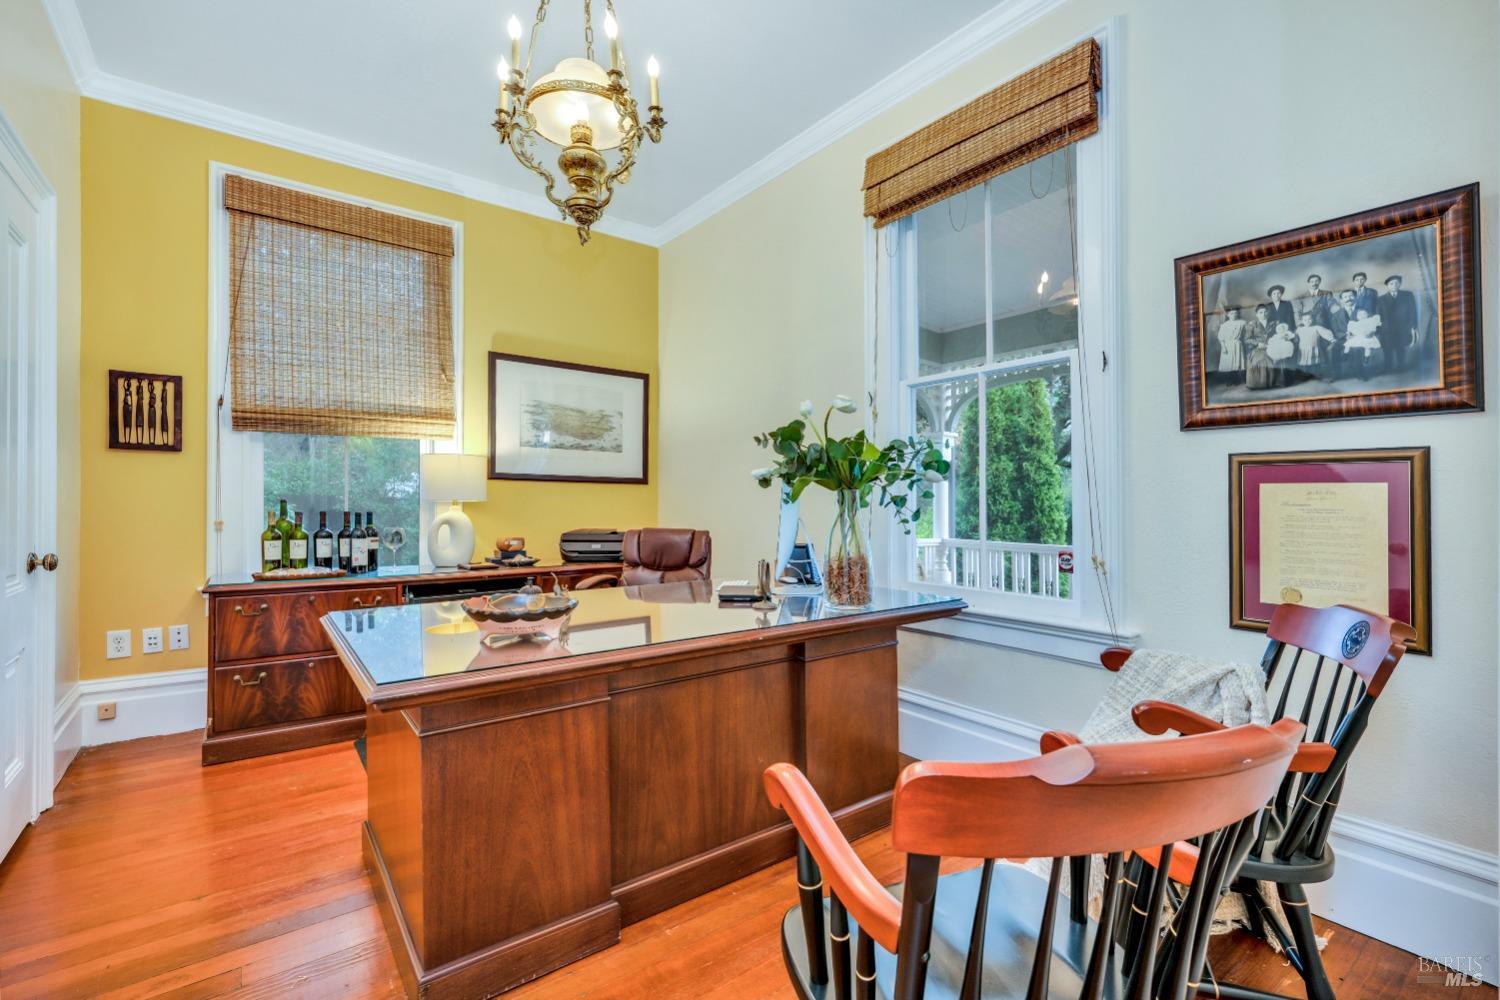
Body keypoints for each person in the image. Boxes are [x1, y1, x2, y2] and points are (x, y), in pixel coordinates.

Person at [1376, 274, 1418, 372]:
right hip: (1386, 329)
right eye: (1391, 283)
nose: (1394, 285)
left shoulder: (1408, 296)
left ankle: (1401, 366)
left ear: (1400, 284)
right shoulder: (1381, 299)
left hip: (1402, 328)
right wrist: (1378, 329)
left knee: (1401, 347)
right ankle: (1388, 367)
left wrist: (1413, 325)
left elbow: (1413, 311)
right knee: (1387, 349)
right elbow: (1378, 315)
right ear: (1387, 286)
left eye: (1396, 283)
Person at [1327, 288, 1358, 380]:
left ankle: (1360, 372)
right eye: (1345, 297)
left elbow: (1368, 325)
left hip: (1359, 337)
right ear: (1341, 300)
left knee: (1358, 348)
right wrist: (1345, 335)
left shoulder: (1362, 312)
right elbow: (1335, 330)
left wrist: (1358, 334)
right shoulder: (1335, 315)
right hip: (1343, 339)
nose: (1348, 299)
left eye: (1351, 296)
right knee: (1334, 349)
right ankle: (1337, 374)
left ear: (1355, 297)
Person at [1344, 308, 1383, 379]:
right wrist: (1350, 335)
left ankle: (1366, 358)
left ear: (1367, 315)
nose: (1362, 316)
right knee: (1348, 344)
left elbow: (1373, 328)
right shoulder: (1355, 323)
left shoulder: (1370, 321)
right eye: (1360, 315)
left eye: (1364, 314)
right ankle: (1345, 354)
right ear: (1357, 317)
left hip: (1367, 337)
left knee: (1367, 346)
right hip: (1358, 337)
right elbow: (1352, 332)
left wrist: (1370, 333)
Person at [1244, 305, 1274, 390]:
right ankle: (1259, 384)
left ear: (1267, 313)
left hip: (1271, 346)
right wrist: (1258, 344)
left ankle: (1273, 382)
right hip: (1257, 348)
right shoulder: (1252, 325)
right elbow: (1246, 339)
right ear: (1257, 314)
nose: (1263, 314)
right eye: (1260, 312)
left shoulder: (1273, 323)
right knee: (1261, 358)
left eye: (1265, 312)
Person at [1217, 305, 1247, 372]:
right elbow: (1221, 338)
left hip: (1238, 345)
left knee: (1238, 364)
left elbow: (1245, 335)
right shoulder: (1224, 325)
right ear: (1228, 315)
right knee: (1228, 363)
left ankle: (1238, 375)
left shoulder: (1242, 323)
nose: (1234, 315)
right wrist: (1223, 347)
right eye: (1232, 313)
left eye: (1235, 313)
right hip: (1228, 346)